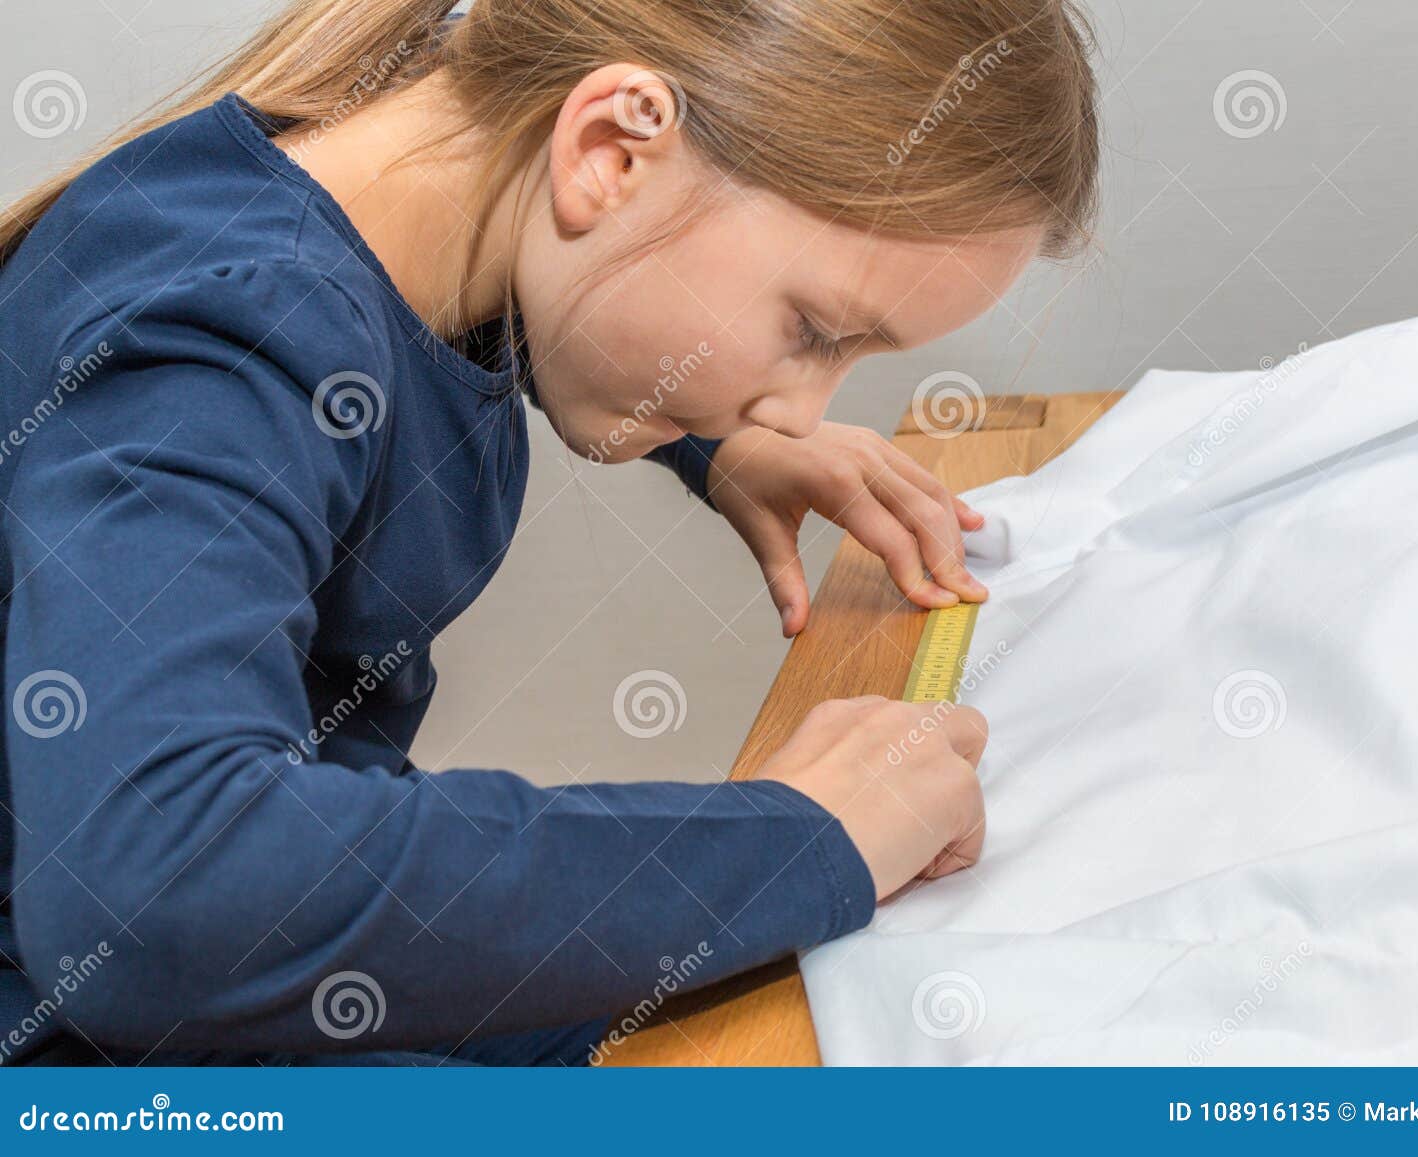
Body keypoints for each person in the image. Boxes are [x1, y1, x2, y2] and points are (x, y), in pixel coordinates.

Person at [0, 0, 1099, 1065]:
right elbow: (159, 889)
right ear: (614, 152)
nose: (806, 408)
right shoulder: (228, 345)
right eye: (810, 330)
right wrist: (803, 834)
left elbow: (462, 332)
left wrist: (712, 436)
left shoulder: (406, 201)